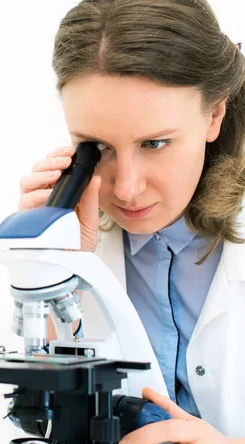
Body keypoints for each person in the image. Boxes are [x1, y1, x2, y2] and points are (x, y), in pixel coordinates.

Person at [18, 0, 245, 442]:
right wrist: (58, 271)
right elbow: (36, 416)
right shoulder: (76, 234)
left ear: (214, 114)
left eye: (155, 143)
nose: (125, 188)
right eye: (96, 147)